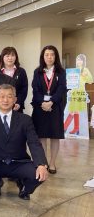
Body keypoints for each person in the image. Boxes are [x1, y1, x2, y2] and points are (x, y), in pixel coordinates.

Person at [0, 84, 48, 200]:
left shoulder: (25, 120)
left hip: (19, 162)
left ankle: (24, 188)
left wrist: (41, 164)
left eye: (9, 96)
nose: (5, 100)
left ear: (15, 99)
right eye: (2, 96)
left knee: (40, 175)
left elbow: (34, 143)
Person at [31, 45, 66, 174]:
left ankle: (52, 163)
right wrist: (43, 103)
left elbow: (62, 88)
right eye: (47, 54)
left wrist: (51, 102)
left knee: (54, 136)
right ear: (43, 57)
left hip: (55, 107)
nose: (49, 57)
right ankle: (43, 162)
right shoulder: (38, 71)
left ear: (55, 56)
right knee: (42, 136)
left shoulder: (61, 72)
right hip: (40, 107)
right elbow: (35, 89)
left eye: (52, 54)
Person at [64, 54, 93, 134]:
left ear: (83, 61)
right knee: (74, 110)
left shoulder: (85, 70)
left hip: (80, 92)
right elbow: (69, 82)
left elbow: (90, 80)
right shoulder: (74, 70)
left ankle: (65, 127)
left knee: (73, 110)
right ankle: (75, 128)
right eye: (77, 60)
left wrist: (85, 76)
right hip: (73, 92)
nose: (79, 61)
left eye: (80, 60)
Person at [0, 47, 28, 112]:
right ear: (2, 57)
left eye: (13, 55)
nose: (10, 58)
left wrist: (18, 102)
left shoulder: (21, 71)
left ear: (16, 57)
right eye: (7, 56)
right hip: (1, 105)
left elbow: (24, 89)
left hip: (16, 106)